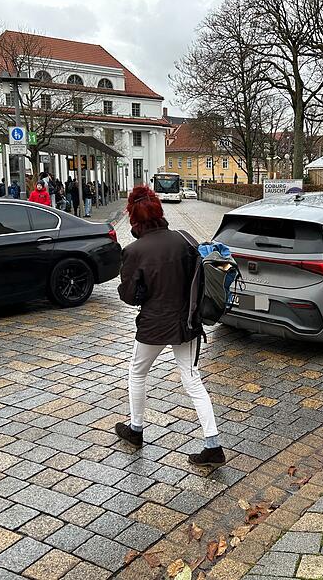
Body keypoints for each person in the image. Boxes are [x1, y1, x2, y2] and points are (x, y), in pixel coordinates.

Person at [116, 185, 225, 469]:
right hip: (187, 321)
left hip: (153, 324)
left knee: (137, 372)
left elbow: (129, 296)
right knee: (192, 379)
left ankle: (136, 430)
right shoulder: (184, 239)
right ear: (159, 211)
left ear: (134, 218)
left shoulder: (134, 251)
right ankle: (212, 444)